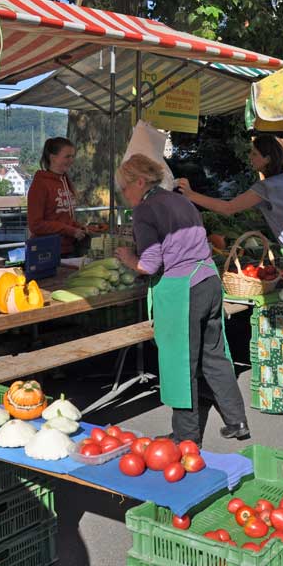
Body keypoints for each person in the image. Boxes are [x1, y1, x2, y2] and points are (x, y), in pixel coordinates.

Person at [114, 154, 249, 445]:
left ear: (139, 182)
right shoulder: (180, 200)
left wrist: (128, 259)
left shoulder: (145, 210)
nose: (123, 195)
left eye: (124, 188)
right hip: (210, 280)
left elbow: (149, 264)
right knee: (215, 356)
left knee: (179, 363)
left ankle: (186, 437)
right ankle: (237, 420)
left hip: (182, 290)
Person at [176, 135, 283, 293]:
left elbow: (228, 208)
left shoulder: (266, 187)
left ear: (268, 159)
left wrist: (191, 195)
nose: (250, 157)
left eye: (255, 153)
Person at [27, 137, 87, 257]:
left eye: (72, 156)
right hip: (46, 251)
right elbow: (35, 224)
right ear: (53, 157)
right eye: (67, 156)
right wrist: (70, 230)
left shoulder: (65, 180)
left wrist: (79, 227)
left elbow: (62, 217)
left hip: (68, 248)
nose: (71, 160)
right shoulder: (41, 183)